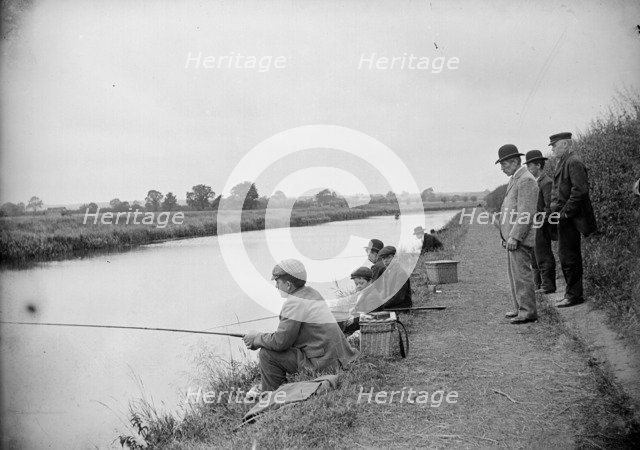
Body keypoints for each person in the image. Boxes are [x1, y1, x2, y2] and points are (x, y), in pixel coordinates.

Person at [242, 259, 359, 397]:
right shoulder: (312, 293)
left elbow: (280, 342)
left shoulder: (293, 303)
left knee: (266, 354)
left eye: (277, 282)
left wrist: (256, 338)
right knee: (270, 349)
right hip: (341, 357)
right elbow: (287, 336)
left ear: (288, 285)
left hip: (324, 364)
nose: (276, 286)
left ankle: (272, 396)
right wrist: (260, 338)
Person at [548, 132, 598, 308]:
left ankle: (574, 296)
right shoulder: (565, 161)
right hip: (565, 217)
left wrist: (565, 213)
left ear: (566, 145)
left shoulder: (573, 161)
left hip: (570, 218)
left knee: (570, 256)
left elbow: (580, 191)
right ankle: (571, 293)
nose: (552, 148)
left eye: (555, 145)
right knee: (566, 256)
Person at [495, 144, 539, 324]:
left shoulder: (525, 180)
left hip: (519, 238)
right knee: (515, 275)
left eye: (504, 165)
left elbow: (526, 213)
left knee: (522, 275)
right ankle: (519, 307)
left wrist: (515, 236)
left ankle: (527, 311)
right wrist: (505, 236)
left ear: (514, 162)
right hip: (512, 237)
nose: (502, 169)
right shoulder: (516, 178)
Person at [524, 150, 557, 294]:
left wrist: (539, 222)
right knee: (534, 257)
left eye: (530, 166)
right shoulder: (534, 182)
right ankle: (537, 285)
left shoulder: (547, 182)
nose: (528, 169)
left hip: (543, 225)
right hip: (534, 225)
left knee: (543, 256)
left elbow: (549, 207)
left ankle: (548, 286)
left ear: (538, 165)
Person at [374, 246, 412, 310]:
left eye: (388, 257)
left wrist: (381, 304)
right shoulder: (386, 272)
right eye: (383, 258)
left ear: (396, 258)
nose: (385, 261)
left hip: (400, 306)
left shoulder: (401, 273)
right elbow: (384, 292)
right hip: (390, 303)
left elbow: (397, 297)